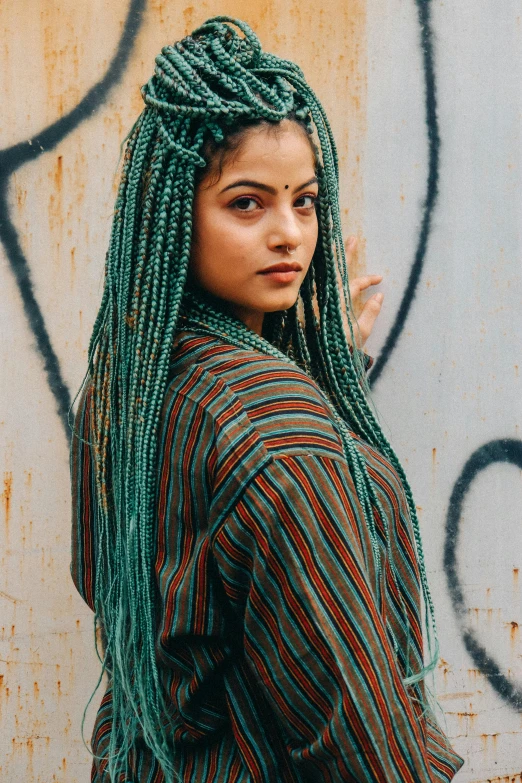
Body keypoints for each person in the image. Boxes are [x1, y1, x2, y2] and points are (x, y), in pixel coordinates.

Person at [69, 16, 464, 782]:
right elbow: (352, 735)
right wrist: (298, 398)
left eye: (306, 201)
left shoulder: (128, 383)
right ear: (174, 209)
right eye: (247, 203)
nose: (290, 233)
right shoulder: (279, 436)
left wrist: (320, 363)